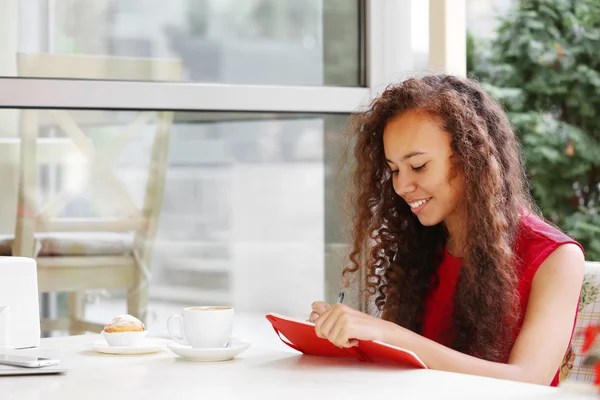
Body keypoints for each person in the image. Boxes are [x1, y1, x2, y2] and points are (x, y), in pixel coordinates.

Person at [309, 75, 585, 387]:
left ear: (472, 159)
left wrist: (390, 335)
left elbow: (528, 380)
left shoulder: (556, 258)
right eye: (394, 170)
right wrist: (348, 338)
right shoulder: (420, 244)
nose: (401, 186)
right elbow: (401, 363)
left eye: (418, 166)